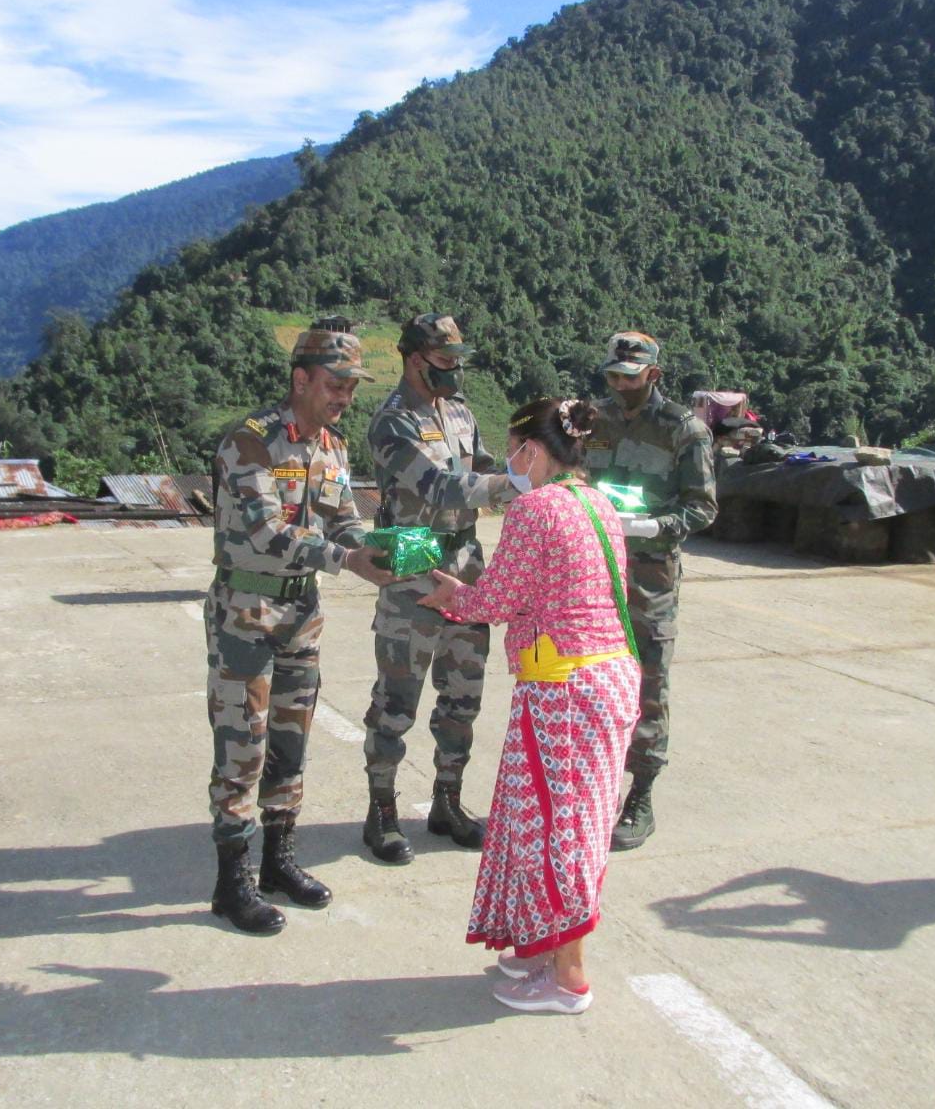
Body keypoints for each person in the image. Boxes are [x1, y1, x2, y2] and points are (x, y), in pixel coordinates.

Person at [419, 396, 640, 1015]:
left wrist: (452, 596)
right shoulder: (598, 503)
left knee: (561, 831)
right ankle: (539, 945)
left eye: (515, 450)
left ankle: (569, 978)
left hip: (565, 691)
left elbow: (497, 599)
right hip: (605, 681)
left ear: (534, 451)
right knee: (547, 820)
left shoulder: (536, 509)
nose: (511, 462)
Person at [206, 317, 394, 935]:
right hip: (247, 616)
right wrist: (346, 560)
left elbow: (344, 520)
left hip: (301, 617)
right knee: (244, 748)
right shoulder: (251, 444)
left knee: (291, 743)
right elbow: (264, 531)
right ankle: (231, 884)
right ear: (300, 379)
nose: (344, 397)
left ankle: (277, 862)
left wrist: (381, 549)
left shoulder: (333, 448)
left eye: (351, 387)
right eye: (335, 384)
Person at [360, 313, 513, 865]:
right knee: (397, 698)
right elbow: (441, 485)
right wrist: (513, 485)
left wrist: (539, 468)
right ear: (414, 358)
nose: (455, 368)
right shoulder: (393, 422)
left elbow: (487, 469)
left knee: (463, 695)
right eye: (444, 359)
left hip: (466, 560)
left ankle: (447, 801)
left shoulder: (461, 413)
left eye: (456, 358)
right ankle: (381, 812)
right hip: (414, 552)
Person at [587, 332, 717, 851]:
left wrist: (650, 528)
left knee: (648, 687)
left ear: (654, 376)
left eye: (630, 376)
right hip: (594, 576)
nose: (620, 385)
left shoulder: (682, 429)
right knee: (593, 683)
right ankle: (594, 787)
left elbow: (702, 507)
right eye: (613, 375)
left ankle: (639, 795)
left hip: (649, 580)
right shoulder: (593, 418)